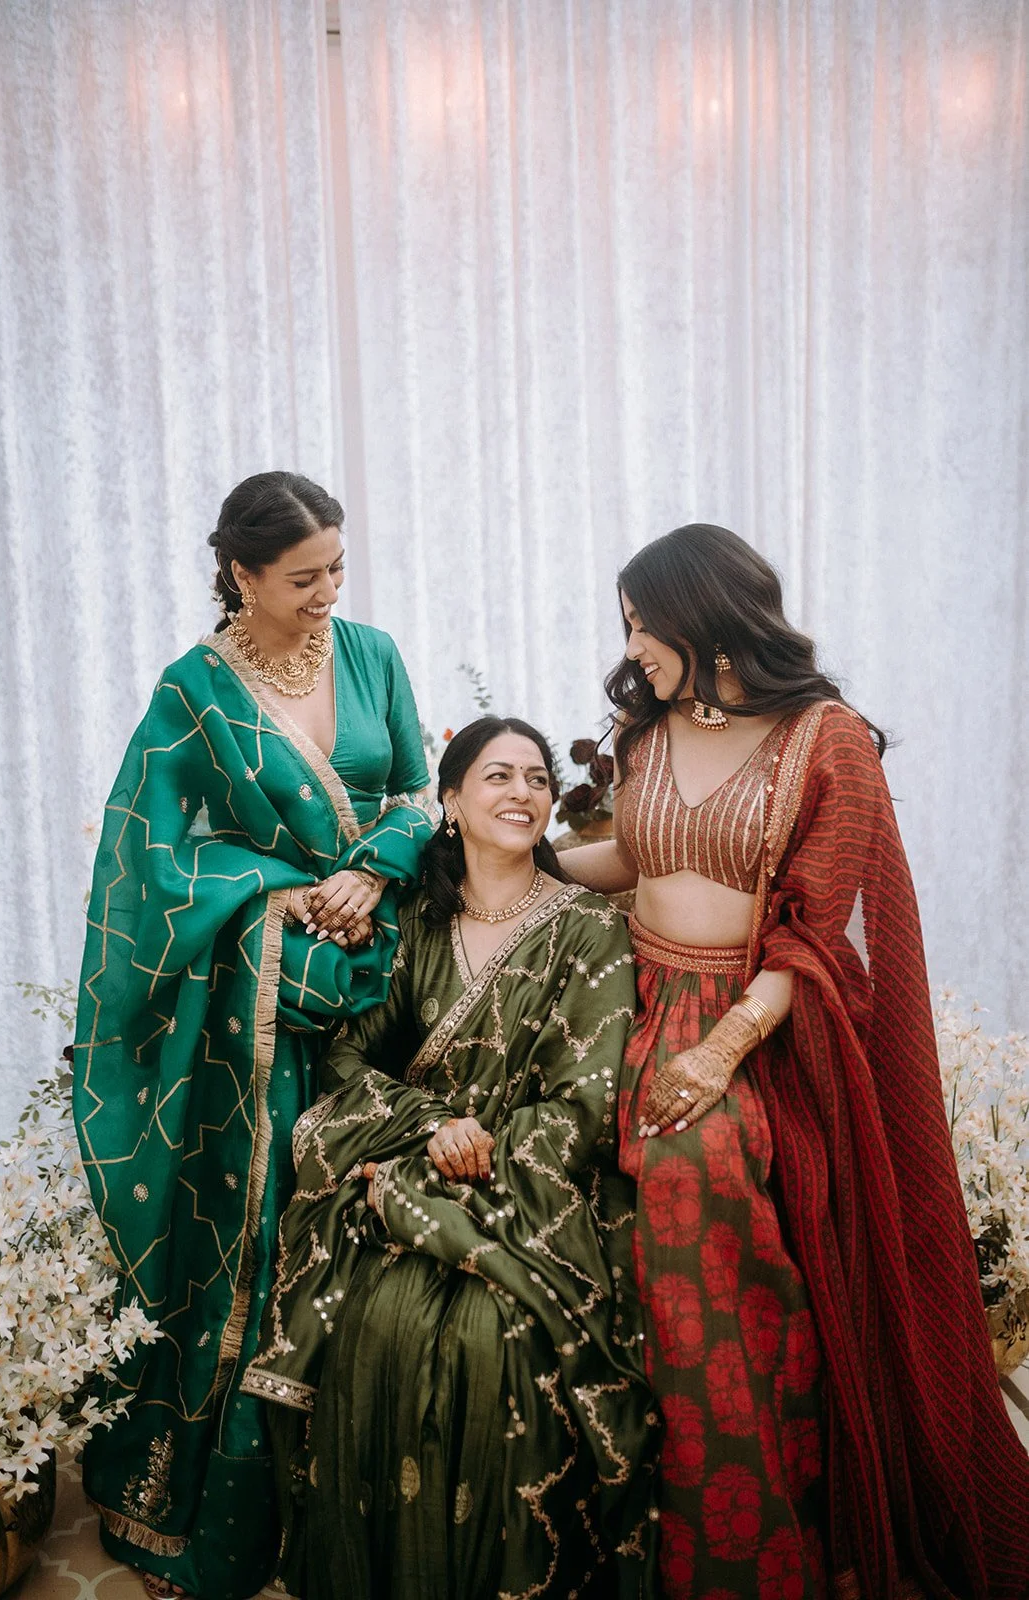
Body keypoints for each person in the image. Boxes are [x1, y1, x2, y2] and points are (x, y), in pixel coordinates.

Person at [560, 524, 1029, 1599]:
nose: (629, 645)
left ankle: (742, 1546)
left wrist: (718, 1051)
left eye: (643, 622)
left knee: (690, 1172)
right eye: (625, 624)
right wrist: (519, 860)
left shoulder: (824, 741)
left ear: (706, 615)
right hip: (628, 1001)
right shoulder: (645, 732)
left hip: (759, 1025)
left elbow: (815, 938)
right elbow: (633, 856)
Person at [72, 471, 433, 1600]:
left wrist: (371, 873)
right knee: (262, 1230)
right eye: (302, 576)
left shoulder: (370, 653)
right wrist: (278, 894)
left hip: (382, 980)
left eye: (337, 566)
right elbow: (151, 863)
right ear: (239, 571)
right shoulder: (193, 691)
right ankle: (231, 1513)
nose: (328, 591)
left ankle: (370, 1507)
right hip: (252, 1015)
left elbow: (420, 794)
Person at [242, 716, 660, 1600]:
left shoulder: (585, 929)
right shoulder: (411, 922)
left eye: (538, 779)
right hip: (406, 1169)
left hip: (528, 1196)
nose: (522, 793)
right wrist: (428, 1127)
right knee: (369, 1320)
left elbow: (584, 1103)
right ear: (448, 799)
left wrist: (481, 1151)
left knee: (488, 1338)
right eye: (498, 776)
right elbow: (349, 1059)